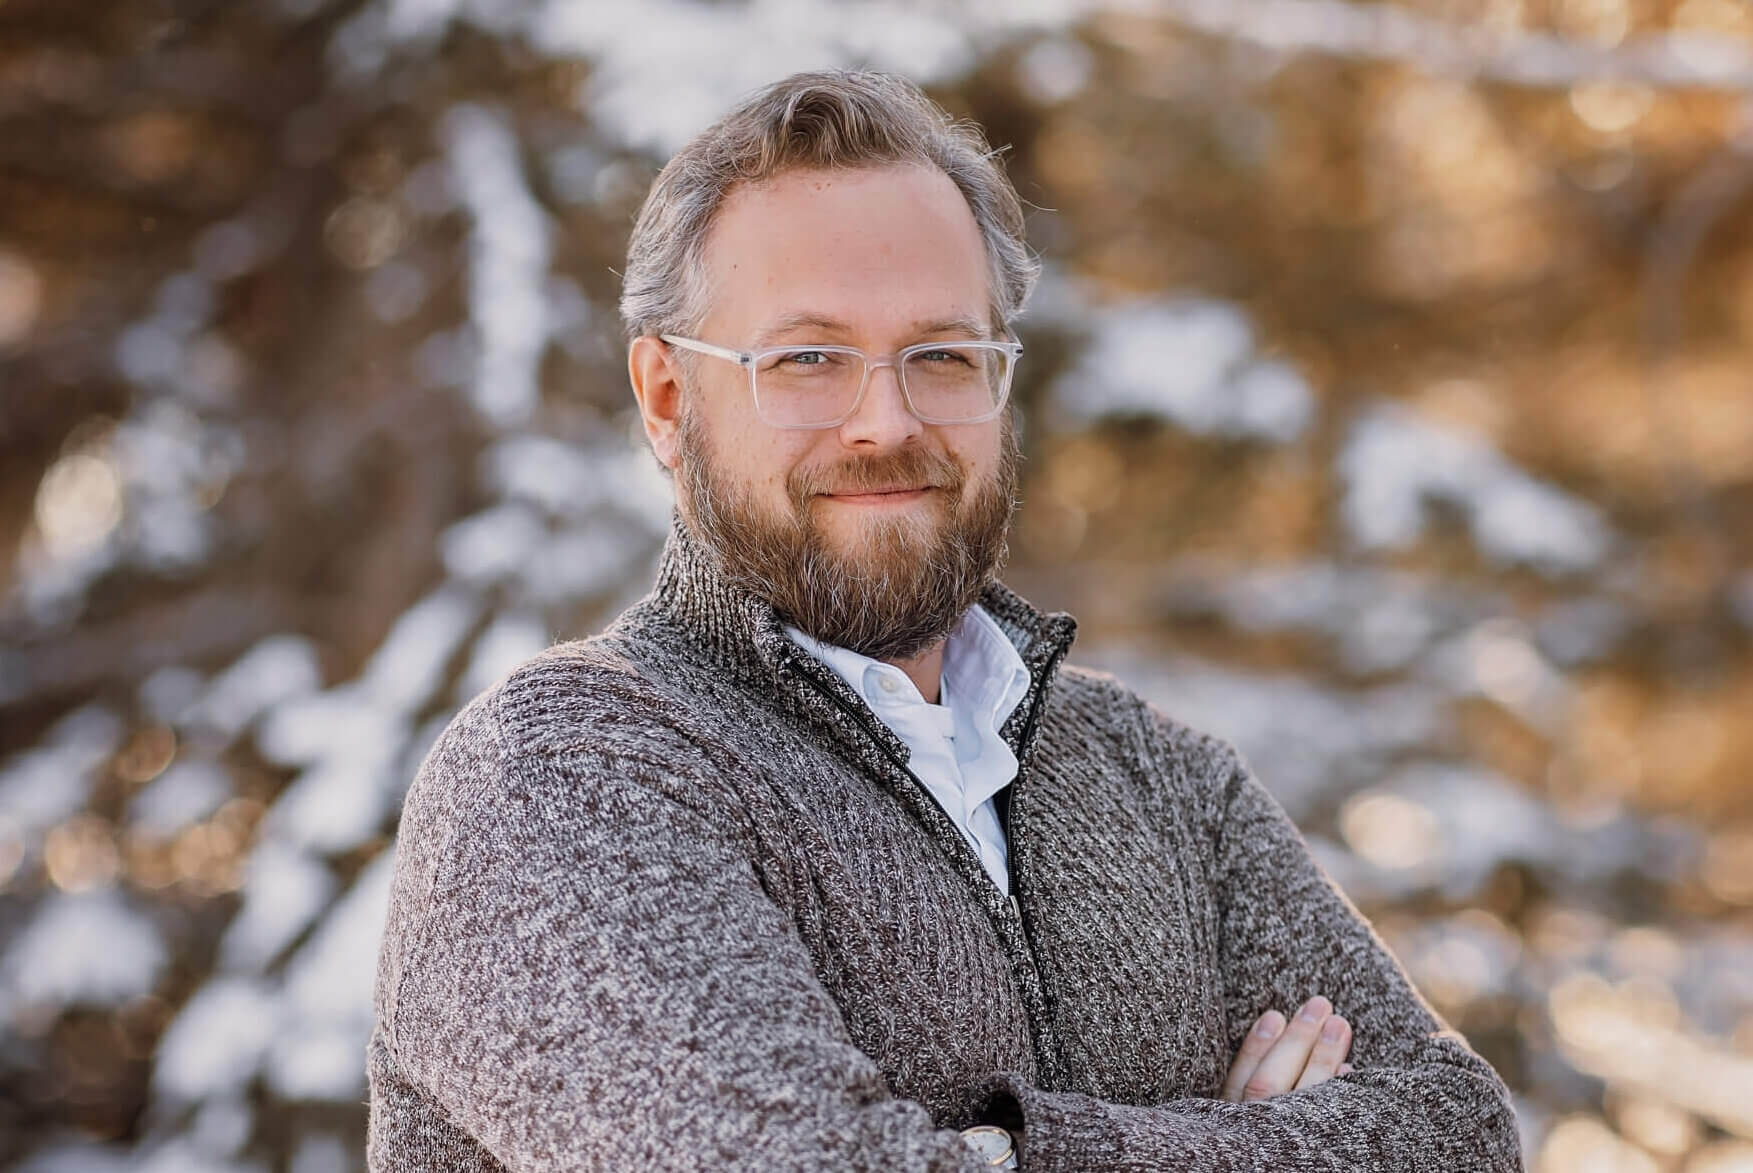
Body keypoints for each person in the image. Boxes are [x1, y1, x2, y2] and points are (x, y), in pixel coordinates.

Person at [366, 70, 1523, 1171]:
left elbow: (1460, 1135)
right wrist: (1240, 1145)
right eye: (809, 358)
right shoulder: (570, 773)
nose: (885, 421)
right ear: (670, 399)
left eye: (941, 354)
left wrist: (1015, 1155)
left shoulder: (1163, 781)